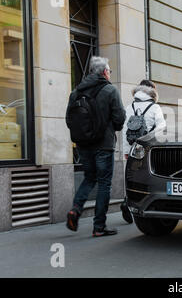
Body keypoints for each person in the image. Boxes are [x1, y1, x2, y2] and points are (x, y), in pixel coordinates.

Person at [65, 56, 126, 237]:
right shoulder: (110, 90)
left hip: (83, 145)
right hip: (103, 145)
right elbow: (120, 118)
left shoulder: (76, 92)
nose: (110, 73)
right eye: (110, 71)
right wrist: (111, 129)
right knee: (104, 184)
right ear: (105, 72)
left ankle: (75, 210)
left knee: (89, 178)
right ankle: (99, 226)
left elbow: (69, 119)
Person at [122, 79, 166, 159]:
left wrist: (126, 151)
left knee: (133, 170)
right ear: (153, 91)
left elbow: (125, 129)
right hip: (150, 148)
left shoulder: (129, 107)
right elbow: (161, 127)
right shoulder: (155, 107)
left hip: (132, 148)